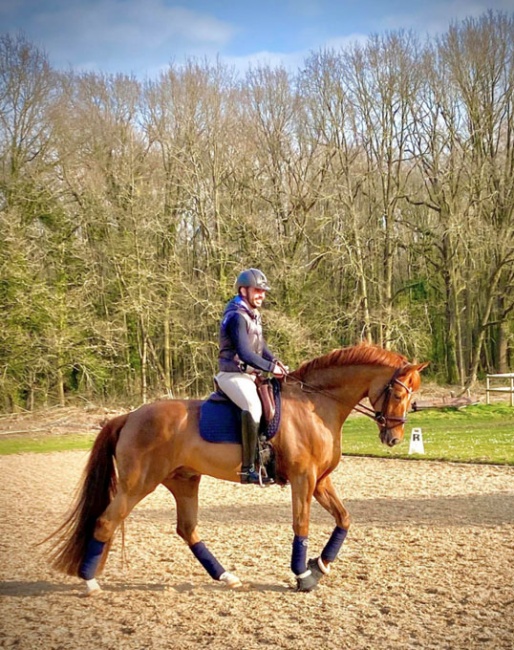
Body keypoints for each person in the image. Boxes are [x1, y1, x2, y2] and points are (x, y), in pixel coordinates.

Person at [216, 268, 286, 485]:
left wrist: (275, 363)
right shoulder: (237, 316)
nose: (262, 295)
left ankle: (267, 455)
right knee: (253, 406)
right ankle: (247, 469)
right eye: (258, 290)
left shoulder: (253, 315)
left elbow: (260, 346)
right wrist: (268, 368)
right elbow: (245, 353)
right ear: (243, 290)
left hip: (248, 374)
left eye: (263, 292)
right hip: (232, 374)